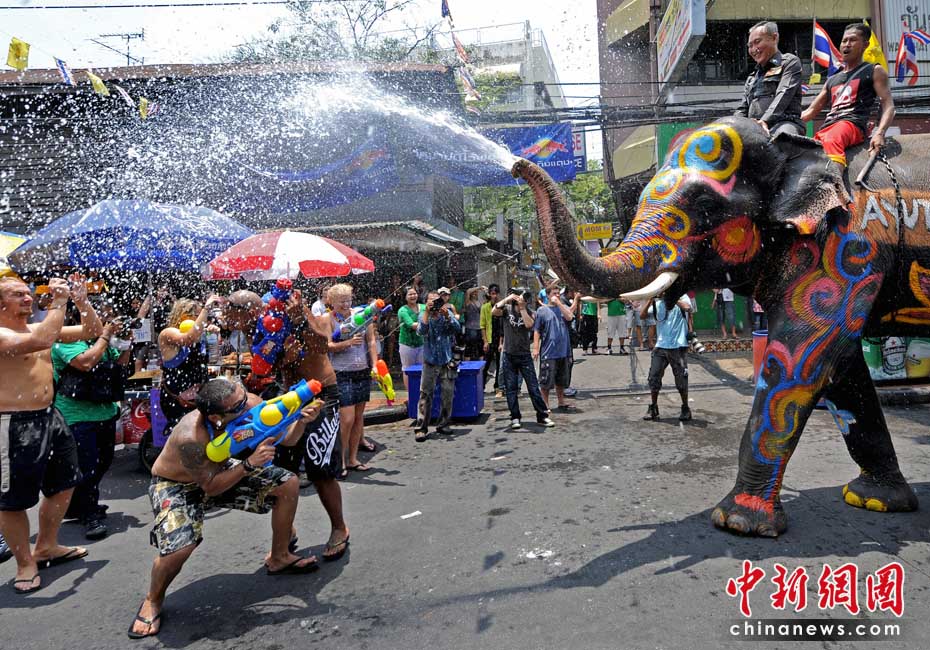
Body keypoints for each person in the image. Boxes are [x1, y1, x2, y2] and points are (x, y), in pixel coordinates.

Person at [127, 378, 322, 639]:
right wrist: (249, 465)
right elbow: (210, 487)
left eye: (245, 397)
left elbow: (287, 439)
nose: (248, 405)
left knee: (287, 483)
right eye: (239, 406)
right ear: (216, 417)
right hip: (176, 484)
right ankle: (153, 599)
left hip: (221, 471)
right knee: (180, 548)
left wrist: (302, 421)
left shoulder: (250, 403)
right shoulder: (191, 437)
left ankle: (280, 556)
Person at [224, 289, 351, 564]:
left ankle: (339, 527)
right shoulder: (254, 329)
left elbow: (323, 346)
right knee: (282, 471)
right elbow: (266, 367)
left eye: (233, 316)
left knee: (319, 468)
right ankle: (285, 536)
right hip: (289, 397)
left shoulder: (290, 310)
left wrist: (301, 321)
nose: (229, 322)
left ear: (249, 311)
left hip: (321, 393)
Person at [0, 275, 102, 594]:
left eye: (27, 293)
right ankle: (25, 563)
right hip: (13, 424)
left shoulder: (37, 328)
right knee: (12, 501)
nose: (28, 297)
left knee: (65, 482)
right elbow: (44, 340)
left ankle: (46, 545)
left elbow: (92, 331)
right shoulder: (4, 334)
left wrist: (82, 302)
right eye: (18, 295)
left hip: (50, 415)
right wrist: (59, 302)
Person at [52, 301, 132, 540]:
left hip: (104, 411)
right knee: (86, 466)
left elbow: (121, 363)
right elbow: (86, 362)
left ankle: (80, 504)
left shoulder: (102, 340)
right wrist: (105, 335)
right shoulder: (66, 340)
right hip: (76, 415)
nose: (105, 322)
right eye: (101, 317)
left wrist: (126, 341)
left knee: (104, 462)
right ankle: (89, 514)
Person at [801, 23, 895, 191]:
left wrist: (880, 133)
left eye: (852, 40)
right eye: (844, 41)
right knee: (807, 152)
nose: (846, 44)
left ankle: (834, 192)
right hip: (828, 127)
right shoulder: (832, 80)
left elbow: (889, 106)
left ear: (865, 44)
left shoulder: (874, 70)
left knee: (832, 139)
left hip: (852, 125)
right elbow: (810, 112)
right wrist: (781, 123)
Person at [327, 284, 379, 475]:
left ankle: (352, 459)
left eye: (348, 300)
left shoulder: (362, 315)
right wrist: (348, 342)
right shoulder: (329, 319)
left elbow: (371, 341)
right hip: (341, 373)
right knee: (346, 419)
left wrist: (375, 365)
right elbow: (327, 346)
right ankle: (339, 461)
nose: (346, 304)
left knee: (358, 418)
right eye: (341, 301)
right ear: (331, 302)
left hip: (362, 371)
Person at [157, 296, 222, 433]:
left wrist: (213, 336)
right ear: (184, 315)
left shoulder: (199, 334)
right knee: (183, 435)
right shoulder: (168, 333)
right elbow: (188, 339)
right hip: (177, 399)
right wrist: (206, 308)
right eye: (197, 316)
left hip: (198, 397)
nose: (202, 320)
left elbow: (213, 359)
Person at [492, 289, 553, 430]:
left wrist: (522, 308)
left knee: (533, 387)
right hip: (509, 354)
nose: (524, 299)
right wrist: (508, 299)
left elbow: (529, 325)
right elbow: (493, 312)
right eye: (521, 297)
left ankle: (542, 416)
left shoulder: (530, 312)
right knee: (511, 388)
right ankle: (515, 417)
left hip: (524, 355)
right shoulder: (506, 310)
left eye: (525, 298)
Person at [734, 21, 804, 137]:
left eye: (757, 42)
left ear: (774, 38)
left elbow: (784, 94)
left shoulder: (789, 62)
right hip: (754, 128)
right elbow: (743, 109)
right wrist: (733, 125)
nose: (754, 49)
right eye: (750, 46)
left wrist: (765, 121)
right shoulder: (752, 77)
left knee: (782, 139)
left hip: (784, 123)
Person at [414, 291, 462, 441]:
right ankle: (421, 427)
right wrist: (427, 313)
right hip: (430, 361)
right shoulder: (423, 315)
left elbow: (457, 329)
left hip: (446, 360)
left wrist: (447, 316)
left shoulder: (446, 313)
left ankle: (443, 424)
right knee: (425, 395)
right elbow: (421, 331)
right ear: (426, 302)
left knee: (447, 394)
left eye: (437, 300)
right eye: (431, 300)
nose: (435, 303)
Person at [641, 295, 692, 422]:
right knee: (654, 377)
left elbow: (687, 307)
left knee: (681, 380)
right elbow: (642, 316)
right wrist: (650, 300)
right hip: (661, 346)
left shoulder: (683, 297)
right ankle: (653, 407)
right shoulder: (658, 304)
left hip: (678, 346)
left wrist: (672, 298)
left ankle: (685, 408)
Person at [532, 286, 578, 413]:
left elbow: (569, 317)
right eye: (554, 293)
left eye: (558, 293)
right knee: (546, 380)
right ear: (548, 295)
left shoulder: (563, 308)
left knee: (561, 380)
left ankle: (561, 401)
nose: (557, 295)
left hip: (563, 350)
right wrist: (535, 348)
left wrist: (559, 304)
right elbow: (537, 330)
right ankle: (545, 404)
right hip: (549, 352)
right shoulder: (542, 311)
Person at [397, 287, 424, 391]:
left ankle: (421, 393)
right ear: (405, 297)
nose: (413, 296)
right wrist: (427, 324)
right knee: (407, 369)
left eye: (414, 293)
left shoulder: (424, 307)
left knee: (422, 369)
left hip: (421, 343)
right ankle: (410, 394)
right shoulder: (403, 310)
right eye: (410, 294)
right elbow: (411, 324)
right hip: (407, 344)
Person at [480, 284, 503, 394]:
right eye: (492, 294)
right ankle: (481, 385)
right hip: (489, 339)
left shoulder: (502, 306)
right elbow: (482, 326)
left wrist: (501, 342)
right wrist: (485, 341)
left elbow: (503, 326)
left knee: (499, 364)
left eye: (496, 293)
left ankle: (497, 386)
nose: (494, 296)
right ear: (489, 294)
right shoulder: (485, 307)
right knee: (486, 363)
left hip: (500, 339)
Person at [462, 286, 484, 361]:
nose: (475, 293)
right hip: (470, 328)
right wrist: (479, 288)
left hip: (479, 327)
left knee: (480, 347)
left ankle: (481, 365)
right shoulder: (468, 302)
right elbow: (468, 291)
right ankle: (467, 365)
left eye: (476, 292)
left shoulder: (479, 302)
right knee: (469, 347)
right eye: (473, 292)